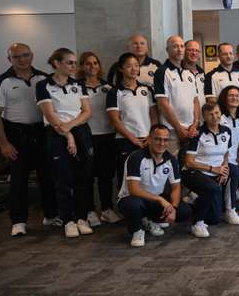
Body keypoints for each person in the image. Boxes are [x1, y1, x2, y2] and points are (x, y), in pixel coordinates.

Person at [0, 43, 56, 235]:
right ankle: (18, 221)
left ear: (32, 55)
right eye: (16, 57)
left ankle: (51, 215)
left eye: (25, 55)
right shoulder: (2, 82)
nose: (22, 59)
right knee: (18, 180)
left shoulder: (44, 78)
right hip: (16, 134)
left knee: (47, 176)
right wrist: (4, 143)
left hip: (42, 132)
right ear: (9, 60)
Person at [36, 48, 94, 238]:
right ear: (56, 63)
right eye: (69, 62)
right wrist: (68, 136)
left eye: (74, 62)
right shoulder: (43, 85)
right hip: (56, 134)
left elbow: (86, 112)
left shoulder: (78, 84)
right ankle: (68, 220)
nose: (73, 66)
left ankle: (81, 218)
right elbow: (51, 117)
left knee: (82, 178)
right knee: (63, 179)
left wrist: (70, 128)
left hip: (79, 131)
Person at [117, 124, 191, 247]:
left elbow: (176, 187)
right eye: (157, 139)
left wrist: (173, 207)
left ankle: (151, 220)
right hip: (131, 199)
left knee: (185, 211)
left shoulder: (170, 159)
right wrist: (160, 200)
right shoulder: (136, 157)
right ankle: (137, 230)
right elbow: (133, 189)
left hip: (153, 201)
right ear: (149, 139)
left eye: (165, 140)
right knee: (133, 205)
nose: (162, 143)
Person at [107, 53, 158, 212]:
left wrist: (151, 136)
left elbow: (154, 115)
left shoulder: (147, 89)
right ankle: (132, 213)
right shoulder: (115, 92)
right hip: (125, 141)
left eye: (136, 65)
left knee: (147, 179)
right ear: (121, 69)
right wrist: (133, 139)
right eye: (129, 66)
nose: (133, 69)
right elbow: (115, 121)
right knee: (128, 179)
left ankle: (148, 213)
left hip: (147, 141)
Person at [182, 102, 234, 237]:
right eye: (210, 114)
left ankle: (195, 199)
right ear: (204, 117)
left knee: (214, 219)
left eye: (216, 113)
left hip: (215, 172)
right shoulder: (198, 134)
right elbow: (189, 162)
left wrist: (225, 169)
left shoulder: (226, 131)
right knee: (212, 188)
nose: (214, 117)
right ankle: (196, 224)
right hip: (194, 172)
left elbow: (226, 154)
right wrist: (213, 169)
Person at [78, 51, 115, 227]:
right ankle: (90, 211)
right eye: (87, 63)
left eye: (95, 63)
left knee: (106, 175)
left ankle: (107, 209)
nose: (92, 66)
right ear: (81, 66)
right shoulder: (77, 87)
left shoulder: (108, 87)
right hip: (87, 137)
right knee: (87, 176)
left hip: (107, 136)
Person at [153, 36, 199, 155]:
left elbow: (195, 101)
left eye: (182, 46)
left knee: (189, 168)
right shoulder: (162, 72)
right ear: (167, 50)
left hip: (191, 129)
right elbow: (163, 104)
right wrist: (179, 128)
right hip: (172, 130)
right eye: (175, 46)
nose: (179, 49)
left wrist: (195, 123)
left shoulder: (188, 73)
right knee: (172, 166)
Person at [217, 85, 239, 224]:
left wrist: (237, 161)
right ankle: (230, 210)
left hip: (233, 159)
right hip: (219, 159)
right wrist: (226, 162)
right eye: (231, 95)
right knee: (232, 170)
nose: (234, 98)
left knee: (235, 169)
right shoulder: (220, 117)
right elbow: (220, 144)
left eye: (237, 95)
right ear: (224, 98)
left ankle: (229, 207)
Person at [205, 42, 239, 108]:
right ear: (219, 56)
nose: (229, 56)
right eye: (225, 54)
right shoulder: (210, 76)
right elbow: (211, 100)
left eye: (230, 53)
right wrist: (221, 117)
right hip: (221, 117)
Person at [184, 39, 206, 112]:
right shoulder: (177, 73)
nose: (194, 53)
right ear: (184, 51)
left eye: (197, 51)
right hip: (185, 120)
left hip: (203, 118)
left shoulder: (203, 74)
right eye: (190, 50)